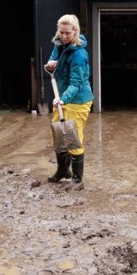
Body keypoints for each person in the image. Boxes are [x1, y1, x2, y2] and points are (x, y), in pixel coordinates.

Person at [45, 14, 93, 190]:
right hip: (62, 97)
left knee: (72, 137)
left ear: (75, 32)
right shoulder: (59, 44)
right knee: (59, 134)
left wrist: (63, 98)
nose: (64, 36)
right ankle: (63, 170)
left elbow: (77, 83)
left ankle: (77, 179)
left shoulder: (79, 55)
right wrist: (52, 63)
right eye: (61, 32)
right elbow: (54, 58)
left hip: (78, 100)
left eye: (67, 33)